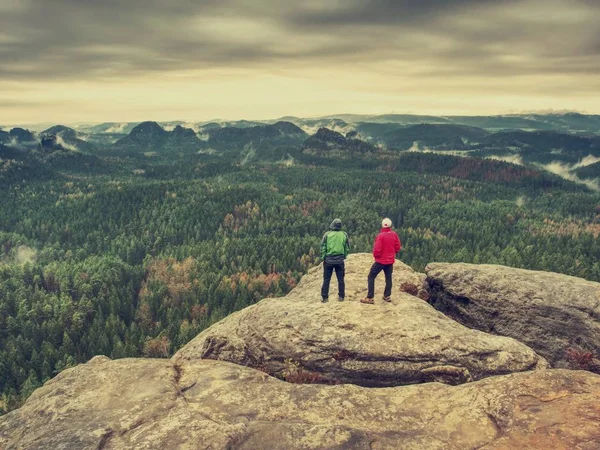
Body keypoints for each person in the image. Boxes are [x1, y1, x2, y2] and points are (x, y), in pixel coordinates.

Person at [361, 218, 401, 304]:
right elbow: (398, 246)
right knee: (388, 278)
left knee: (371, 276)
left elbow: (377, 249)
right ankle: (387, 296)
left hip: (380, 261)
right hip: (390, 261)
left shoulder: (380, 236)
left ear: (382, 225)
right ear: (390, 225)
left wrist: (377, 257)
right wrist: (393, 253)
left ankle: (370, 297)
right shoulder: (394, 234)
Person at [320, 218, 350, 303]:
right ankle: (341, 296)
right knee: (340, 279)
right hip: (340, 260)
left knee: (326, 279)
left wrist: (324, 257)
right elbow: (347, 247)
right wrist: (344, 256)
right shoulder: (344, 234)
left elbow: (322, 247)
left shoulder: (327, 234)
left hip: (329, 260)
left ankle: (325, 297)